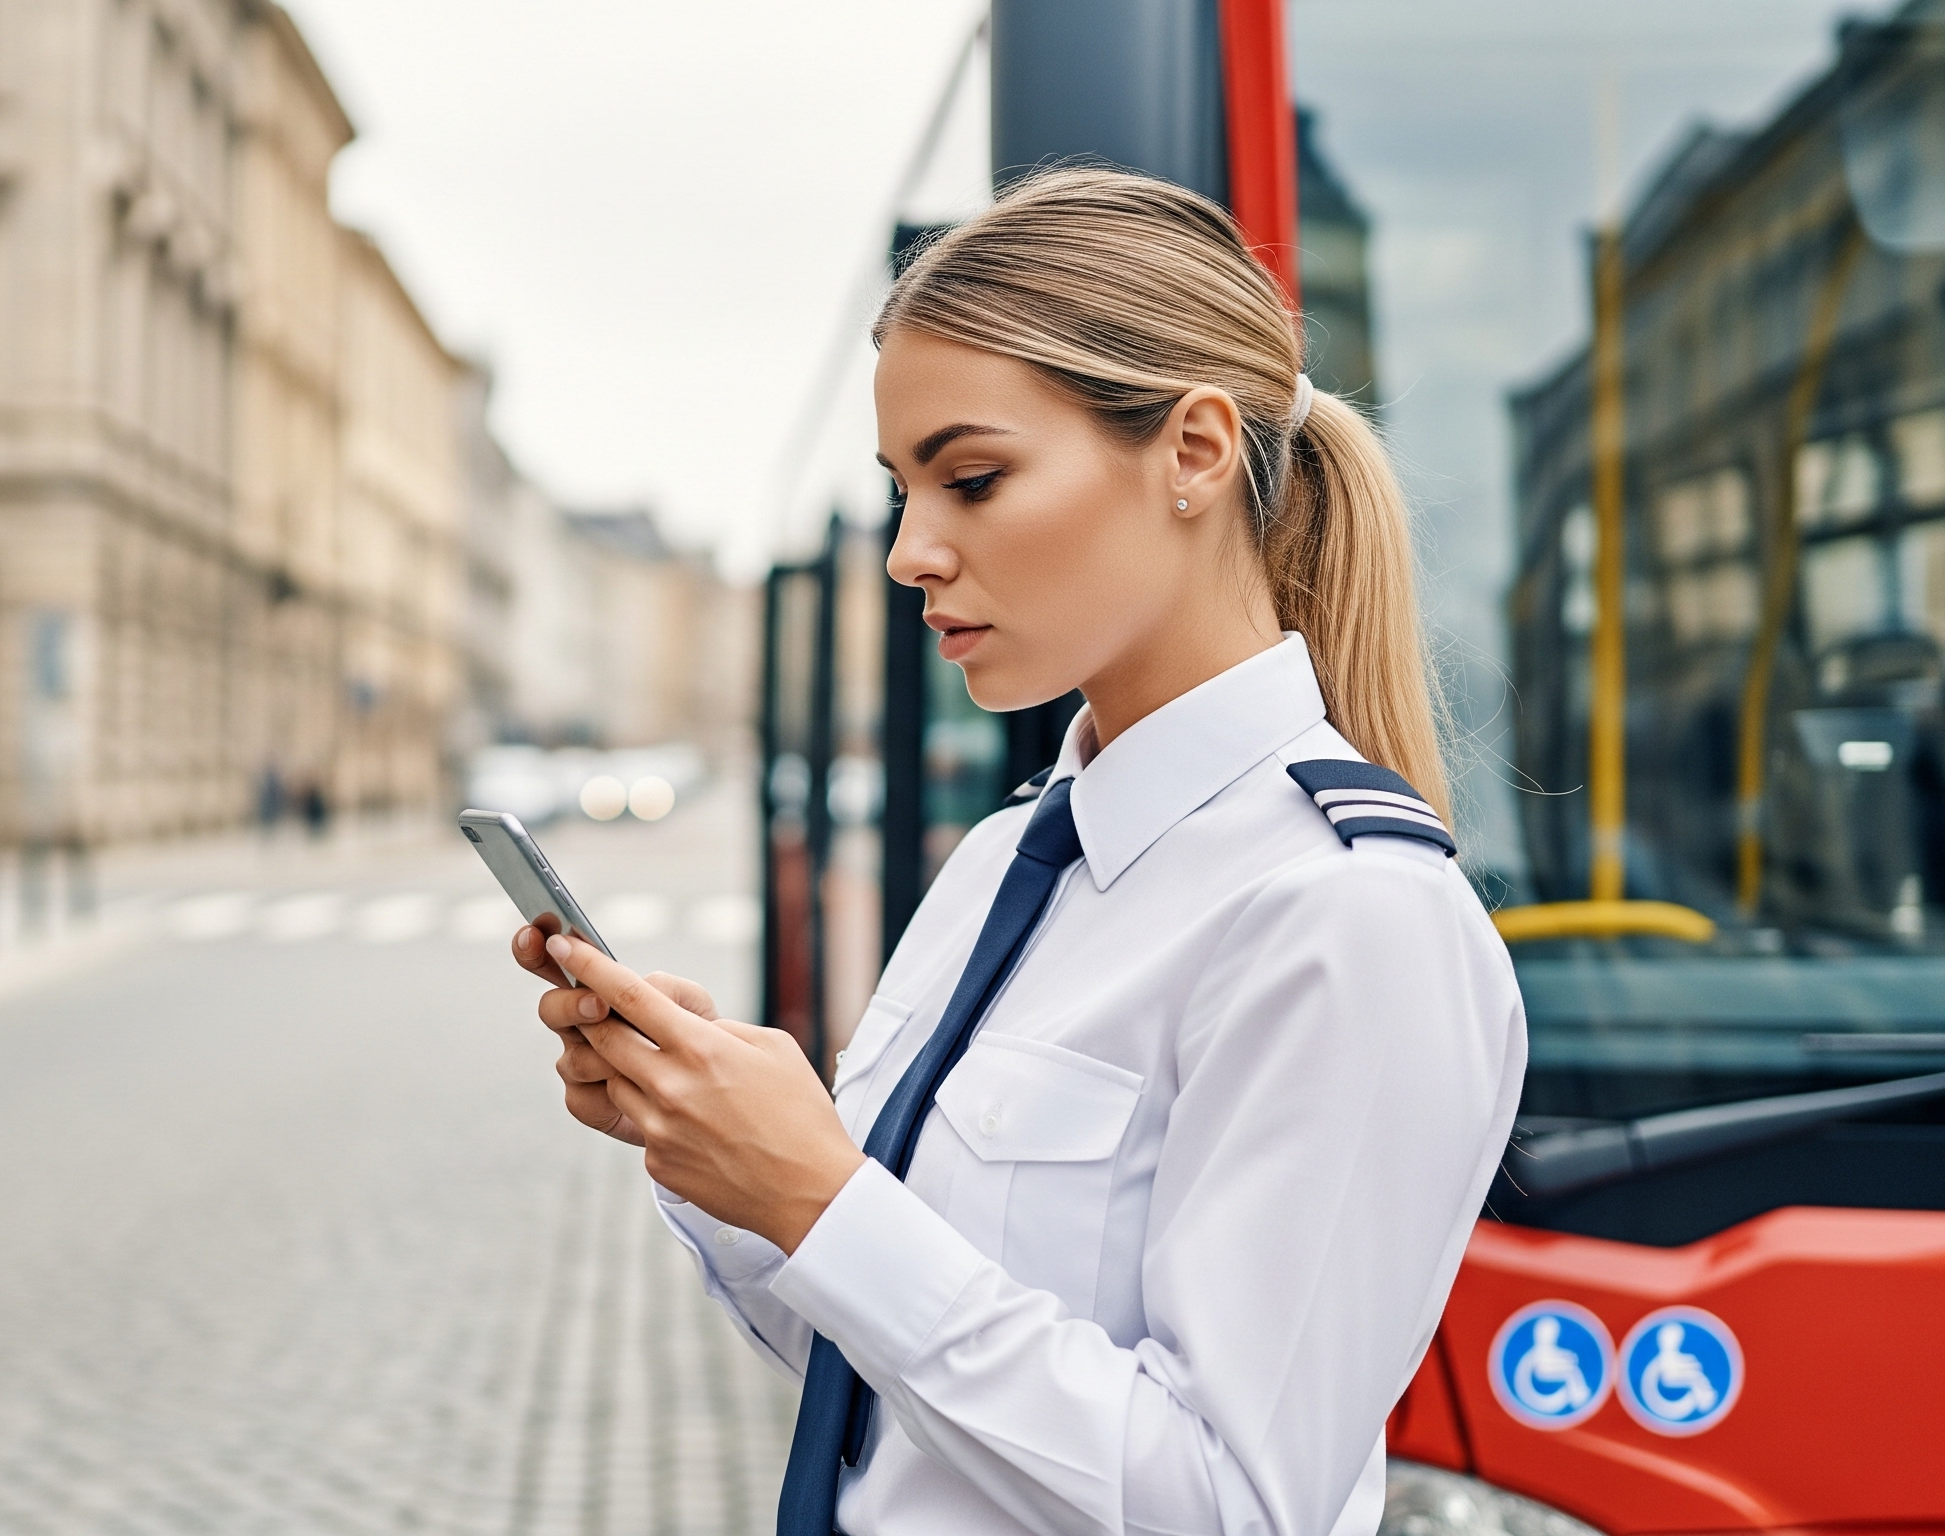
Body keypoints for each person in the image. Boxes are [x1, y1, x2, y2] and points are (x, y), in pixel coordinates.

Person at [510, 168, 1524, 1536]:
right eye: (901, 493)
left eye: (973, 480)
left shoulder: (1347, 915)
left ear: (1195, 452)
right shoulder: (1000, 866)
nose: (912, 553)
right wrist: (733, 1167)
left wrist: (828, 1201)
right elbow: (880, 1403)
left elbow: (1229, 1508)